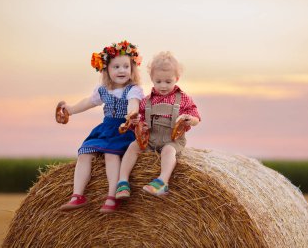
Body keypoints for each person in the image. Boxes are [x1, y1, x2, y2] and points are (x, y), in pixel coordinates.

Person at [57, 40, 144, 213]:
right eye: (116, 67)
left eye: (126, 66)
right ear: (106, 70)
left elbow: (133, 104)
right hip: (105, 128)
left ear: (132, 69)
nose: (121, 70)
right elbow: (88, 102)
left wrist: (131, 114)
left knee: (111, 155)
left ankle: (112, 197)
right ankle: (77, 195)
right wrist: (71, 110)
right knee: (84, 152)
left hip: (123, 129)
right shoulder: (103, 89)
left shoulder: (133, 90)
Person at [115, 51, 201, 199]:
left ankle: (163, 182)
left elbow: (196, 117)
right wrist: (137, 123)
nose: (163, 86)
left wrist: (190, 119)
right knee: (133, 147)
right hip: (150, 138)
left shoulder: (183, 99)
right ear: (152, 79)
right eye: (158, 81)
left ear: (177, 79)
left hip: (172, 140)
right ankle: (122, 181)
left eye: (168, 82)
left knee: (168, 151)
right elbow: (139, 120)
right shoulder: (146, 101)